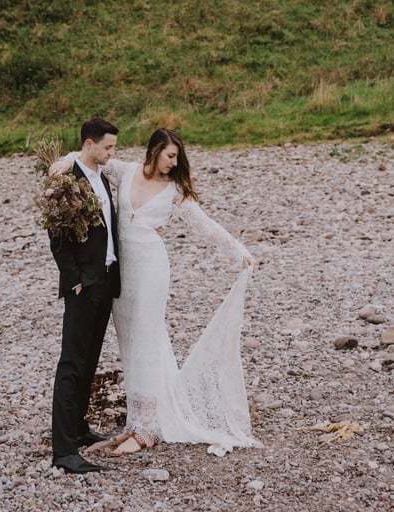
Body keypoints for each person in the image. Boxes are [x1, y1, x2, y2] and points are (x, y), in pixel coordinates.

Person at [50, 127, 258, 458]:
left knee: (148, 341)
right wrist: (64, 160)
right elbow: (90, 159)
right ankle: (136, 421)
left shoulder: (175, 191)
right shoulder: (126, 171)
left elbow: (204, 226)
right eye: (170, 155)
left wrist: (237, 250)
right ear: (155, 150)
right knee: (130, 343)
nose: (174, 163)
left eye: (178, 158)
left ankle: (148, 429)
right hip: (121, 274)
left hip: (151, 270)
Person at [48, 117, 121, 474]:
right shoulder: (66, 179)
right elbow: (57, 234)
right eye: (108, 146)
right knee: (72, 363)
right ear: (89, 144)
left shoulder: (102, 176)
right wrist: (74, 279)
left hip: (106, 280)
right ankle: (63, 450)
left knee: (90, 358)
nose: (112, 152)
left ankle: (77, 428)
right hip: (83, 286)